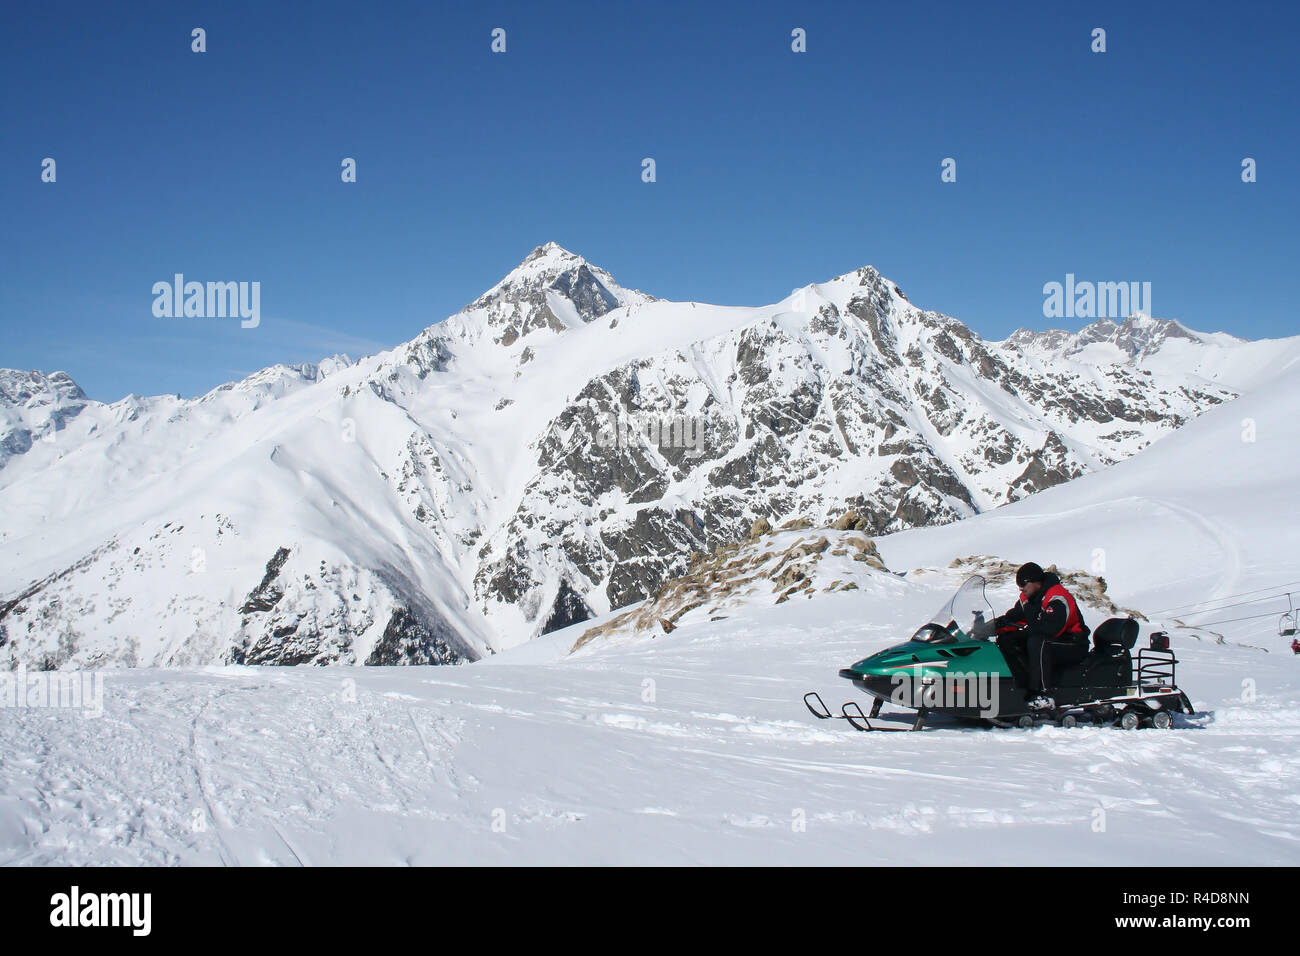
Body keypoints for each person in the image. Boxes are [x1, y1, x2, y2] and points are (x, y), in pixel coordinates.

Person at [995, 562, 1091, 711]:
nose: (1020, 588)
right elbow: (1016, 616)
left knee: (1038, 641)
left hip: (1073, 643)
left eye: (1023, 583)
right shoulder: (1029, 598)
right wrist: (996, 625)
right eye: (1018, 584)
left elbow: (1050, 629)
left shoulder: (1057, 598)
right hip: (1051, 639)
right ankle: (1017, 685)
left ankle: (1043, 694)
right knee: (1007, 639)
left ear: (1036, 582)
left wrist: (1022, 633)